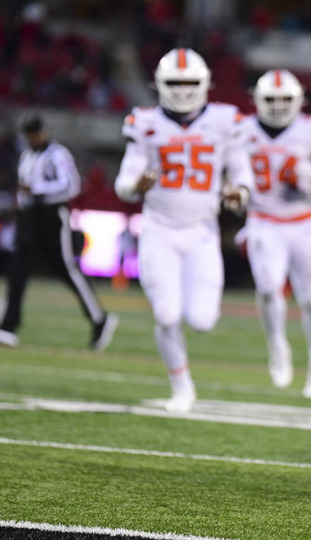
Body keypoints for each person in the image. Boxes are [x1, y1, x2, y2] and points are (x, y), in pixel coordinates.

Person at [114, 48, 253, 413]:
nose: (181, 89)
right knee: (166, 314)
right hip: (158, 228)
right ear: (159, 84)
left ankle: (183, 382)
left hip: (202, 232)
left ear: (205, 83)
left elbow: (242, 174)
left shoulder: (226, 120)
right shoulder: (145, 121)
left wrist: (239, 193)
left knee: (203, 321)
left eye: (189, 82)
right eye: (174, 82)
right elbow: (124, 181)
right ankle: (181, 386)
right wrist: (136, 185)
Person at [240, 69, 311, 399]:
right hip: (263, 218)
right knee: (268, 289)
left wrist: (308, 172)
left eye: (284, 99)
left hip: (302, 221)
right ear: (257, 100)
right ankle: (277, 347)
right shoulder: (242, 128)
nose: (278, 105)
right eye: (271, 100)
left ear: (298, 100)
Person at [0, 115, 118, 350]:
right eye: (30, 133)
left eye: (37, 132)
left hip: (52, 218)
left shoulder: (57, 154)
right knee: (18, 268)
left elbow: (71, 185)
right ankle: (8, 327)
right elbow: (23, 188)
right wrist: (19, 207)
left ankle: (99, 318)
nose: (35, 136)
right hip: (30, 219)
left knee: (66, 269)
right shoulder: (27, 155)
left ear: (44, 131)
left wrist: (37, 190)